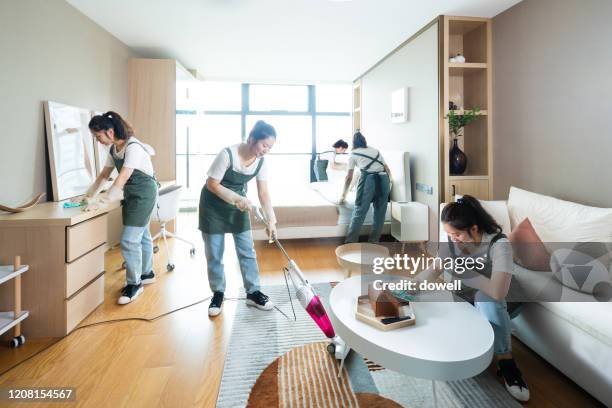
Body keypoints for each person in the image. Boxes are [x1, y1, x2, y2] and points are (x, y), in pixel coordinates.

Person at [420, 195, 530, 402]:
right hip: (469, 295)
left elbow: (497, 292)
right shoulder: (453, 242)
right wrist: (405, 288)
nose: (452, 238)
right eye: (448, 234)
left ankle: (507, 363)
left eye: (457, 234)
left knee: (487, 298)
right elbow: (433, 270)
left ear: (474, 228)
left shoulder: (499, 244)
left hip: (503, 298)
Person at [199, 120, 277, 317]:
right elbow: (212, 184)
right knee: (215, 253)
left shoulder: (261, 162)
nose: (265, 150)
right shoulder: (227, 154)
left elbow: (264, 193)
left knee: (247, 250)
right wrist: (235, 198)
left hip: (238, 206)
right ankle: (218, 293)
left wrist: (271, 220)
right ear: (251, 139)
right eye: (264, 145)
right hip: (213, 206)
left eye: (269, 147)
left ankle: (253, 292)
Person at [85, 112, 158, 305]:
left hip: (144, 194)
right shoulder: (114, 149)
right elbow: (104, 175)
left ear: (110, 131)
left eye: (98, 136)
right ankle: (147, 273)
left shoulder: (133, 147)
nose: (98, 140)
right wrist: (88, 196)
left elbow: (123, 176)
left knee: (128, 240)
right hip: (132, 194)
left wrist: (102, 202)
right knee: (142, 235)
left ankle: (134, 284)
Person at [339, 132, 392, 243]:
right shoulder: (375, 150)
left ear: (354, 143)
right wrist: (389, 187)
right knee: (380, 213)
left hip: (369, 181)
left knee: (359, 211)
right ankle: (374, 242)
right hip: (384, 180)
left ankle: (350, 243)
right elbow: (387, 170)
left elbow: (348, 178)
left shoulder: (353, 154)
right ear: (364, 141)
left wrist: (343, 195)